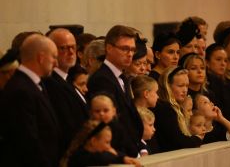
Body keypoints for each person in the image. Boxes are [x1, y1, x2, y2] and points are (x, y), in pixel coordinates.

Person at [0, 34, 60, 167]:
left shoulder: (34, 84)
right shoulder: (21, 90)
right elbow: (27, 141)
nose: (56, 63)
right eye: (54, 57)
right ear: (41, 57)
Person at [87, 25, 143, 157]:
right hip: (116, 152)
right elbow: (111, 122)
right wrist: (131, 152)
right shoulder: (102, 79)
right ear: (109, 48)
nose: (130, 54)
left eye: (132, 50)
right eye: (125, 49)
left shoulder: (122, 77)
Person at [44, 28, 89, 156]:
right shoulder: (50, 83)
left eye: (73, 47)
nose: (70, 52)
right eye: (63, 48)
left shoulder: (67, 80)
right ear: (51, 51)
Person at [152, 67, 202, 152]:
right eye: (180, 86)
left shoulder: (173, 107)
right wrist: (198, 138)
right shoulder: (164, 108)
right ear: (167, 86)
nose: (185, 90)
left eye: (187, 85)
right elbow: (179, 141)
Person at [60, 120, 141, 167]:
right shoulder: (80, 156)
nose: (109, 146)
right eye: (107, 142)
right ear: (93, 141)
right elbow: (101, 158)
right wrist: (121, 158)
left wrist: (123, 157)